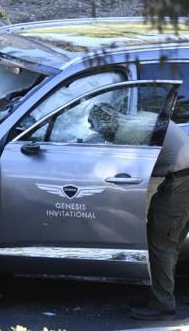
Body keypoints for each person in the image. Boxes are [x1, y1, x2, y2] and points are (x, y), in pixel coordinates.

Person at [87, 102, 189, 320]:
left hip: (182, 182)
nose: (97, 131)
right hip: (182, 177)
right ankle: (160, 296)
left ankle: (163, 305)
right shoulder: (137, 120)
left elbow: (124, 170)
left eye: (96, 127)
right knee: (170, 242)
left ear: (106, 123)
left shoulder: (127, 133)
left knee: (161, 244)